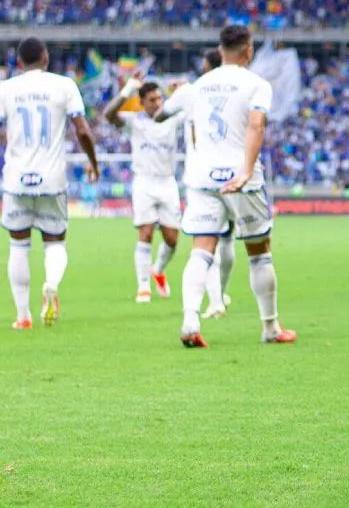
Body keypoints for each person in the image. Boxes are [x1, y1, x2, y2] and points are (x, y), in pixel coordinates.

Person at [167, 25, 295, 348]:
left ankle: (190, 321)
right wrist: (246, 171)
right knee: (258, 252)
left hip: (203, 178)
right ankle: (270, 328)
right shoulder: (257, 85)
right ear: (248, 51)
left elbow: (194, 133)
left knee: (201, 249)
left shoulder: (198, 86)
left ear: (220, 50)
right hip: (241, 179)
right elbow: (256, 124)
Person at [0, 37, 99, 329]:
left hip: (17, 179)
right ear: (45, 58)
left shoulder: (6, 88)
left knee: (18, 246)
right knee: (55, 242)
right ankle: (51, 285)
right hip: (52, 179)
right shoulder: (64, 85)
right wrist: (93, 163)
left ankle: (23, 316)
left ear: (18, 62)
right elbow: (82, 131)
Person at [158, 48, 234, 318]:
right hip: (235, 174)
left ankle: (205, 306)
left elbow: (159, 115)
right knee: (232, 242)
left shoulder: (191, 92)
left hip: (202, 176)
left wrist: (176, 94)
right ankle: (221, 296)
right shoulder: (240, 88)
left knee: (203, 245)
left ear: (206, 66)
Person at [103, 79, 182, 303]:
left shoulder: (173, 119)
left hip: (167, 183)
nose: (158, 103)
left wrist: (181, 92)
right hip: (144, 183)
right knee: (145, 233)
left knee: (172, 239)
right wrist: (128, 88)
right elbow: (109, 114)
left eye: (160, 98)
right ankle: (143, 287)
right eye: (152, 100)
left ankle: (157, 270)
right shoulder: (134, 122)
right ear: (142, 102)